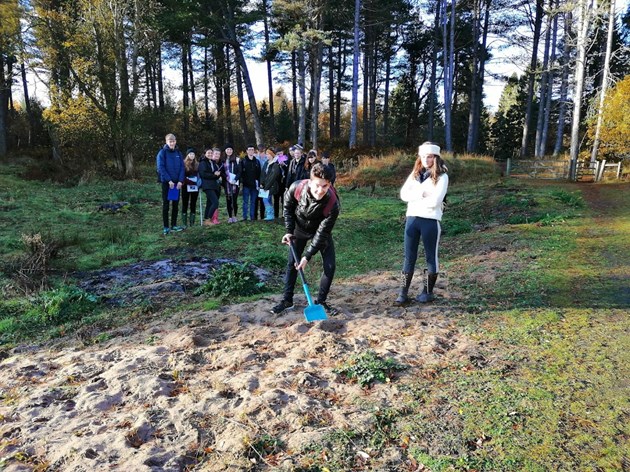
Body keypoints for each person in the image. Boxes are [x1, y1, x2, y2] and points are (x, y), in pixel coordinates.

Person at [271, 162, 340, 316]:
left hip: (319, 231)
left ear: (330, 185)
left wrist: (307, 256)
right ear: (310, 181)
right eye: (317, 185)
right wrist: (289, 231)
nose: (320, 190)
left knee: (330, 266)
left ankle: (321, 302)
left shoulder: (332, 204)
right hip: (299, 229)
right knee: (292, 264)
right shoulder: (296, 188)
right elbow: (287, 208)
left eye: (325, 186)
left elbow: (322, 233)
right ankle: (287, 300)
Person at [395, 142, 449, 305]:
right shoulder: (415, 174)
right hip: (412, 219)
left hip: (430, 221)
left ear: (435, 157)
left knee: (431, 257)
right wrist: (422, 193)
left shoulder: (442, 176)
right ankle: (403, 293)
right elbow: (403, 195)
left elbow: (435, 201)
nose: (426, 159)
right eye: (423, 156)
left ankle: (427, 291)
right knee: (408, 258)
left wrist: (416, 196)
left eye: (430, 156)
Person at [156, 133, 185, 235]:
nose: (172, 143)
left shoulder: (178, 153)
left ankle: (174, 225)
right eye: (170, 141)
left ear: (175, 141)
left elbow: (182, 167)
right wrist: (169, 181)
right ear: (166, 142)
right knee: (166, 205)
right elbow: (161, 168)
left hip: (177, 184)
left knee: (176, 205)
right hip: (167, 183)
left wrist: (181, 181)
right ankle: (166, 227)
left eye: (173, 141)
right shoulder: (162, 153)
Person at [199, 147, 223, 225]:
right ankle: (209, 218)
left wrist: (217, 174)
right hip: (207, 185)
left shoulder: (213, 162)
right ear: (205, 154)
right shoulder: (203, 163)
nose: (210, 154)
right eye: (208, 153)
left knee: (209, 203)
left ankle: (206, 220)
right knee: (215, 202)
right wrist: (214, 175)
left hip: (214, 185)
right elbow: (203, 174)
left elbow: (217, 172)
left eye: (211, 153)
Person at [241, 144, 261, 221]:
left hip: (254, 186)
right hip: (246, 185)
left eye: (252, 149)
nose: (251, 151)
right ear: (246, 151)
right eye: (249, 150)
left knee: (253, 202)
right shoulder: (243, 161)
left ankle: (252, 217)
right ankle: (244, 217)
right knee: (245, 202)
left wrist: (259, 184)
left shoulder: (257, 161)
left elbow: (259, 174)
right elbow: (241, 173)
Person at [181, 148, 200, 228]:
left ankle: (192, 222)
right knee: (185, 203)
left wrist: (198, 181)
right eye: (190, 154)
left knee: (193, 203)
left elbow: (199, 174)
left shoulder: (197, 164)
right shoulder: (183, 164)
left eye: (193, 154)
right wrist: (190, 181)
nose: (192, 155)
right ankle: (184, 223)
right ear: (187, 155)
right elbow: (182, 175)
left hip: (195, 187)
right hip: (186, 186)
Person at [261, 147, 281, 220]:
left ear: (272, 155)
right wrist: (262, 183)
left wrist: (267, 186)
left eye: (268, 154)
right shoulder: (266, 163)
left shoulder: (275, 165)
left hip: (271, 185)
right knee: (267, 199)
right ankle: (270, 214)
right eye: (266, 154)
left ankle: (270, 214)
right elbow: (263, 173)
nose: (267, 156)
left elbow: (273, 177)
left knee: (265, 199)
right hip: (265, 185)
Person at [223, 144, 241, 223]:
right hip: (227, 183)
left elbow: (240, 171)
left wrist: (235, 179)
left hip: (235, 183)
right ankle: (230, 216)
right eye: (227, 149)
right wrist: (226, 178)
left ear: (232, 150)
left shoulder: (237, 160)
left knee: (234, 200)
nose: (229, 151)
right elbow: (222, 172)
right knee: (228, 200)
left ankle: (235, 216)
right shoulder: (223, 160)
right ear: (225, 151)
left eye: (230, 149)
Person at [255, 144, 268, 220]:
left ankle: (263, 216)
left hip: (265, 181)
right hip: (257, 180)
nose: (261, 151)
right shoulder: (256, 158)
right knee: (256, 199)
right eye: (260, 150)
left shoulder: (267, 158)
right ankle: (255, 216)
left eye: (262, 150)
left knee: (263, 199)